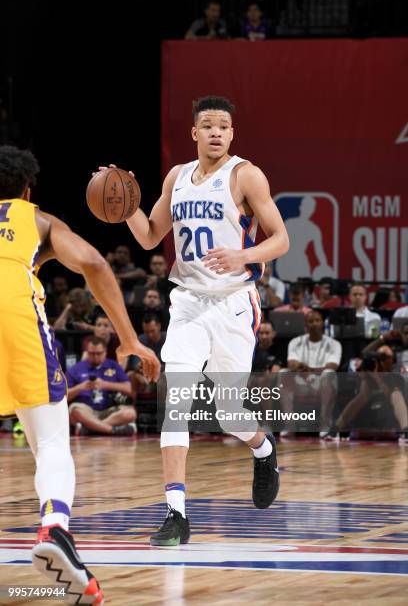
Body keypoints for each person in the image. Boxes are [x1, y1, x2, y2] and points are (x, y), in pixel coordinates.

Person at [112, 94, 289, 546]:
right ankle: (176, 513)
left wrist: (243, 255)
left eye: (224, 126)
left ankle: (263, 449)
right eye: (208, 125)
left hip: (233, 303)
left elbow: (282, 239)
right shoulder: (177, 177)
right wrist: (126, 202)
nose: (216, 132)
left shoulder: (245, 175)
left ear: (232, 134)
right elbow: (151, 235)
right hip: (188, 301)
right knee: (177, 401)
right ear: (194, 133)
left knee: (230, 413)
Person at [0, 145, 160, 603]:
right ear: (27, 190)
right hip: (14, 317)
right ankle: (54, 528)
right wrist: (128, 340)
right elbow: (92, 262)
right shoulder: (39, 220)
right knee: (50, 443)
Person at [324, 345, 408, 443]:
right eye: (380, 356)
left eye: (385, 357)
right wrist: (363, 377)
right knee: (359, 398)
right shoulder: (369, 377)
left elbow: (391, 396)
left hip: (389, 418)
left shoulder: (396, 377)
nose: (382, 360)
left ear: (392, 360)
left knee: (395, 395)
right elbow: (363, 397)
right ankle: (334, 430)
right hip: (369, 418)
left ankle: (406, 431)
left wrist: (377, 377)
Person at [279, 310, 342, 436]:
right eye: (311, 321)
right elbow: (292, 363)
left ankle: (325, 423)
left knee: (329, 373)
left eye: (317, 320)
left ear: (323, 323)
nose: (314, 324)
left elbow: (332, 365)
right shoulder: (295, 342)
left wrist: (309, 369)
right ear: (305, 326)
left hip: (322, 383)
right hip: (301, 382)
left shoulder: (334, 344)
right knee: (283, 373)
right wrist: (301, 369)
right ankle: (290, 425)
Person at [68, 337, 135, 436]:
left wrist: (106, 385)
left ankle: (91, 429)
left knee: (131, 413)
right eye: (91, 353)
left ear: (105, 352)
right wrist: (81, 387)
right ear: (86, 352)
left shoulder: (114, 366)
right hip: (86, 410)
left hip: (109, 411)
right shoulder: (76, 369)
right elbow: (64, 396)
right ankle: (112, 430)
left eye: (99, 353)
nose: (95, 357)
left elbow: (129, 389)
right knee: (75, 411)